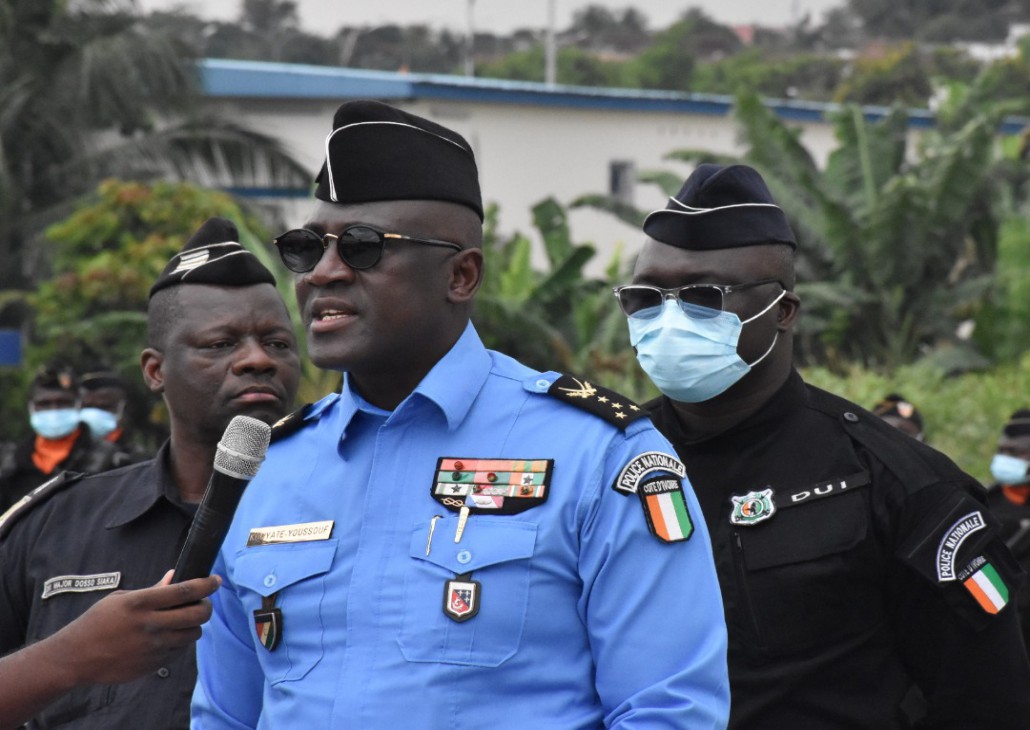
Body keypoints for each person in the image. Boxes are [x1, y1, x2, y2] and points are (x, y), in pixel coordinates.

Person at [192, 101, 729, 729]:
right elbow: (225, 716)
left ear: (461, 275)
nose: (324, 273)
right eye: (306, 247)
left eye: (363, 248)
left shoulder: (601, 455)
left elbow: (668, 710)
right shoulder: (269, 470)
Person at [613, 163, 1030, 729]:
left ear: (782, 311)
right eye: (646, 296)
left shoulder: (899, 483)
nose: (668, 319)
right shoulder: (604, 461)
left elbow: (987, 699)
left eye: (704, 297)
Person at [0, 217, 302, 729]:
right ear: (155, 371)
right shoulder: (56, 524)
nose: (257, 360)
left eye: (276, 343)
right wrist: (69, 658)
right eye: (220, 344)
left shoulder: (341, 513)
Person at [0, 362, 133, 512]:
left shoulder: (110, 460)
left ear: (78, 405)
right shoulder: (9, 464)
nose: (54, 410)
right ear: (31, 407)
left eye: (63, 403)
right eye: (44, 404)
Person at [985, 408, 1030, 655]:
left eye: (1016, 453)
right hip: (1004, 628)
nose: (1005, 459)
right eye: (1002, 451)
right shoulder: (982, 505)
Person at [78, 367, 151, 462]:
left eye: (104, 407)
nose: (93, 414)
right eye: (88, 407)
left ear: (126, 410)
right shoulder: (67, 455)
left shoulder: (140, 460)